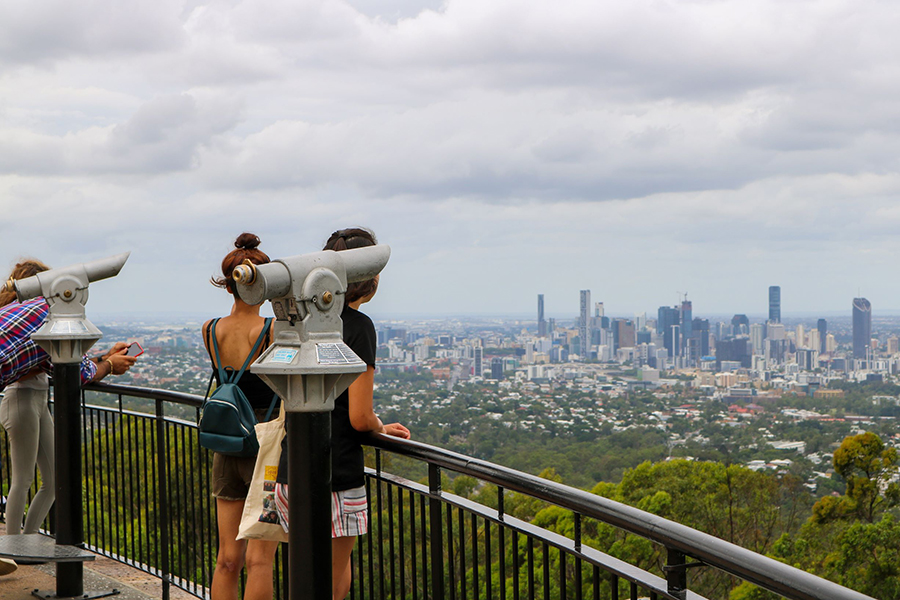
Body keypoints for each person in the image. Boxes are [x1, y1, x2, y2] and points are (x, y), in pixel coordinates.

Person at [273, 228, 410, 600]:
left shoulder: (297, 321)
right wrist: (382, 427)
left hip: (292, 469)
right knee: (333, 578)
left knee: (301, 574)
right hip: (338, 472)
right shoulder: (358, 327)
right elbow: (360, 418)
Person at [0, 258, 137, 575]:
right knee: (23, 479)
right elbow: (76, 370)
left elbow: (65, 361)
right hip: (20, 400)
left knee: (53, 478)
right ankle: (13, 546)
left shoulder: (22, 313)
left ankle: (25, 544)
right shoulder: (42, 313)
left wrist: (105, 359)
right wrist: (109, 366)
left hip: (35, 400)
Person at [203, 233, 279, 600]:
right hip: (264, 447)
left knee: (228, 558)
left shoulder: (210, 329)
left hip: (227, 445)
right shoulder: (268, 330)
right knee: (260, 559)